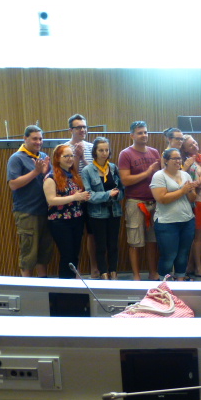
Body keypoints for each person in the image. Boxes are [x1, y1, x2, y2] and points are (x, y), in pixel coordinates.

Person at [7, 125, 54, 277]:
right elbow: (13, 184)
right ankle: (27, 288)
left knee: (44, 253)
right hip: (27, 213)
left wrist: (45, 173)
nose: (38, 142)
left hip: (45, 211)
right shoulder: (16, 158)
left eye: (40, 139)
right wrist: (36, 172)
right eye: (34, 139)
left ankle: (43, 286)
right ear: (25, 139)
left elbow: (49, 181)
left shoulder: (43, 156)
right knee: (28, 254)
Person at [117, 121, 161, 280]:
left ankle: (153, 273)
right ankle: (136, 276)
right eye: (140, 132)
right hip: (135, 203)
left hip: (154, 202)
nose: (144, 135)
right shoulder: (126, 154)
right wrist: (147, 172)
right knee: (135, 241)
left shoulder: (154, 152)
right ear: (132, 135)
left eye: (145, 132)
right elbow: (125, 180)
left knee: (153, 241)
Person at [43, 144, 91, 279]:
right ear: (58, 158)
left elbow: (76, 196)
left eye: (71, 156)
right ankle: (65, 287)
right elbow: (51, 200)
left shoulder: (73, 175)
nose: (70, 159)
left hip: (77, 219)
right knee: (67, 255)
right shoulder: (50, 177)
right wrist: (74, 197)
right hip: (60, 222)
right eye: (66, 156)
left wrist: (82, 197)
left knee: (75, 255)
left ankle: (73, 285)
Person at [150, 148, 197, 280]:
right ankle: (164, 284)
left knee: (183, 254)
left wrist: (190, 190)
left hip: (187, 220)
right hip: (167, 222)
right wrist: (182, 191)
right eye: (174, 158)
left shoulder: (185, 175)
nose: (178, 161)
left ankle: (180, 281)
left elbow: (192, 199)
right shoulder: (159, 176)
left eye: (179, 158)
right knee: (169, 256)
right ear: (166, 160)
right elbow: (162, 199)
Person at [81, 137, 124, 280]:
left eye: (106, 150)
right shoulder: (87, 170)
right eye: (101, 150)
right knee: (100, 245)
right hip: (97, 213)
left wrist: (117, 195)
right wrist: (107, 194)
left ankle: (113, 272)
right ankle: (103, 273)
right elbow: (89, 195)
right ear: (95, 152)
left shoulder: (113, 167)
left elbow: (122, 190)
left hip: (114, 211)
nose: (104, 153)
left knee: (113, 244)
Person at [66, 114, 99, 278]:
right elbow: (65, 174)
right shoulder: (63, 148)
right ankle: (76, 271)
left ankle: (94, 268)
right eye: (78, 127)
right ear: (71, 130)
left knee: (92, 233)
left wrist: (83, 159)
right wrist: (77, 157)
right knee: (75, 235)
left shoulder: (92, 147)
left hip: (91, 195)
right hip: (72, 197)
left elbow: (96, 173)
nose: (82, 130)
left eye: (84, 127)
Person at [180, 135, 201, 279]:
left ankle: (191, 266)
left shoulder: (198, 159)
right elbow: (199, 184)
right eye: (190, 145)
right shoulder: (191, 163)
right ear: (185, 150)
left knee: (199, 236)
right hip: (198, 201)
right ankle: (198, 268)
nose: (194, 145)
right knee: (199, 237)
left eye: (194, 142)